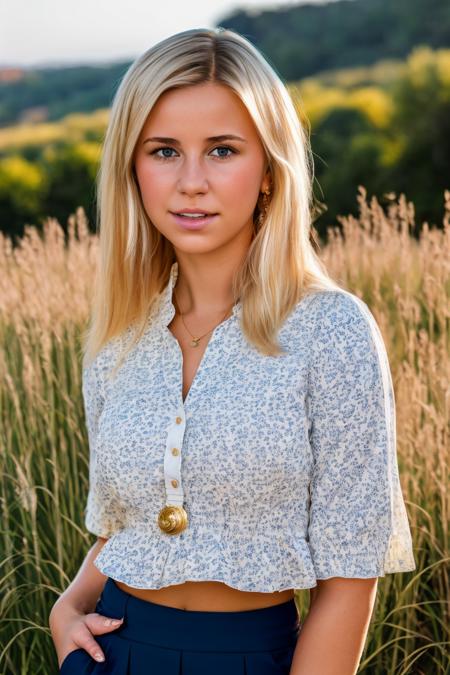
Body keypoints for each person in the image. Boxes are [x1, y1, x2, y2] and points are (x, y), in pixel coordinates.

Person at [48, 27, 416, 675]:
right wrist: (67, 605)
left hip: (252, 657)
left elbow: (351, 574)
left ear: (270, 170)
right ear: (131, 170)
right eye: (164, 151)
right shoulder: (118, 338)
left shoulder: (331, 329)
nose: (192, 182)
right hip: (111, 651)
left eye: (222, 149)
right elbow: (122, 526)